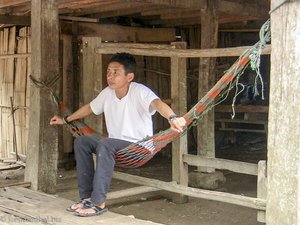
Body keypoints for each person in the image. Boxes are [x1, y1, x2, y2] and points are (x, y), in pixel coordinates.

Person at [50, 53, 186, 217]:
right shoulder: (108, 92)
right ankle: (86, 198)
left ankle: (98, 202)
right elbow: (90, 108)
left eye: (116, 72)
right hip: (116, 148)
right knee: (82, 142)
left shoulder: (140, 91)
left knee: (105, 143)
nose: (110, 76)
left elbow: (157, 103)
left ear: (129, 76)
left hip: (139, 148)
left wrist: (172, 117)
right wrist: (66, 120)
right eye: (108, 72)